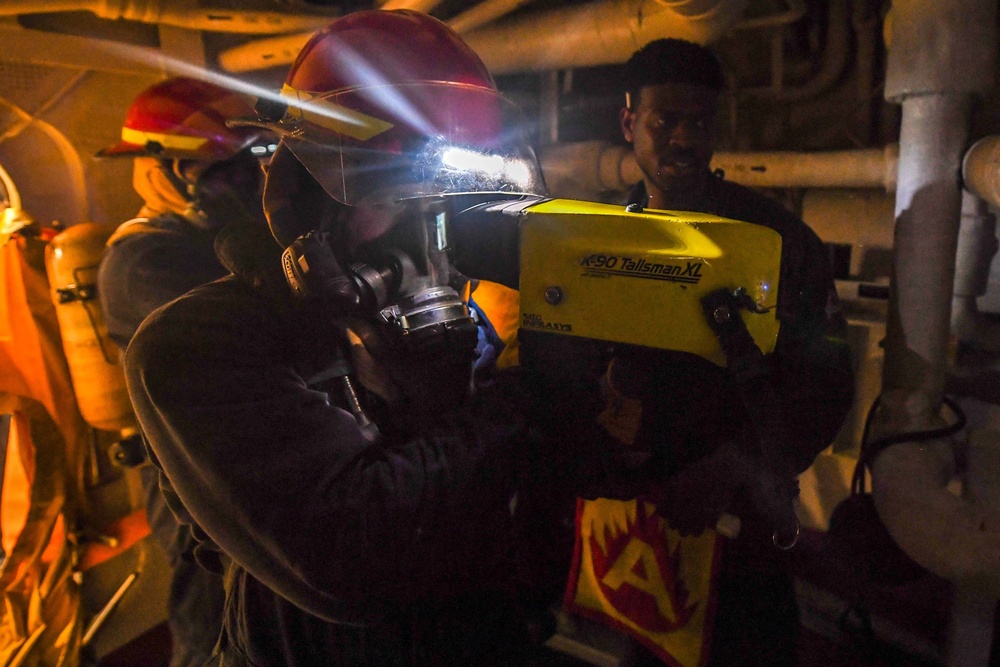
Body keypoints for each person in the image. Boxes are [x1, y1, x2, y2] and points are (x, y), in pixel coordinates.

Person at [121, 10, 640, 666]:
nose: (433, 239)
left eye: (448, 205)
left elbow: (563, 471)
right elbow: (351, 557)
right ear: (306, 200)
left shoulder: (471, 323)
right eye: (397, 198)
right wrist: (517, 399)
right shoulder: (196, 346)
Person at [579, 38, 853, 666]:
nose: (682, 138)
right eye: (663, 120)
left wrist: (738, 466)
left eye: (698, 122)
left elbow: (826, 383)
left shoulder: (778, 241)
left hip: (737, 527)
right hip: (626, 525)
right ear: (629, 122)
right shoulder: (590, 237)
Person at [96, 76, 269, 667]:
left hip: (234, 464)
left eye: (247, 168)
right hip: (185, 484)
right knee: (211, 627)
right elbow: (254, 337)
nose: (239, 186)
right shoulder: (141, 261)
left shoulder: (214, 238)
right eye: (218, 173)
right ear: (159, 170)